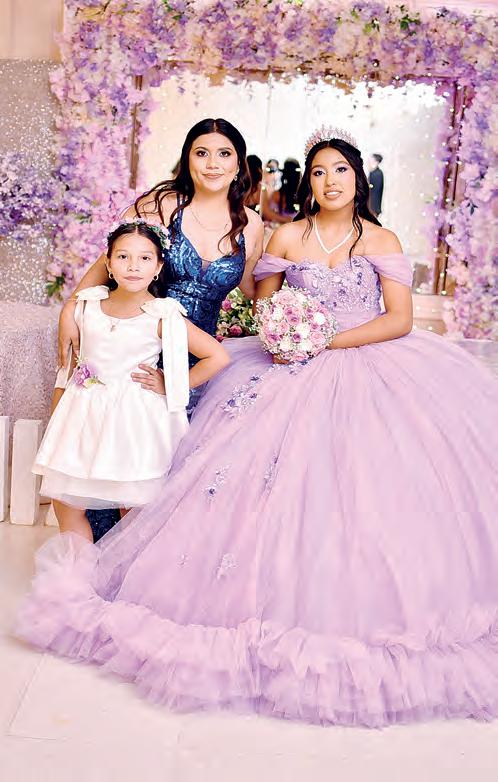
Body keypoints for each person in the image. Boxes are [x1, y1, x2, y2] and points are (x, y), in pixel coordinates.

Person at [17, 128, 498, 728]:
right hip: (271, 359)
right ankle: (115, 559)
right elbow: (265, 308)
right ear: (307, 182)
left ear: (359, 178)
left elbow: (398, 319)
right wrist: (287, 335)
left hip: (366, 361)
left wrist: (325, 340)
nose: (329, 181)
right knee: (200, 465)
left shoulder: (381, 238)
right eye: (318, 171)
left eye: (340, 170)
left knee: (361, 479)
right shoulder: (283, 235)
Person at [56, 117, 264, 539]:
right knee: (126, 456)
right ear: (187, 159)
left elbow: (252, 290)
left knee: (177, 464)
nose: (212, 164)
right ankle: (102, 555)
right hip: (145, 345)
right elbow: (113, 260)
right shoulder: (164, 204)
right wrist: (70, 308)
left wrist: (296, 316)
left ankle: (155, 560)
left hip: (200, 354)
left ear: (238, 163)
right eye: (201, 153)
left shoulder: (251, 224)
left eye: (224, 154)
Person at [35, 221, 229, 541]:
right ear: (109, 264)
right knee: (68, 505)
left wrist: (171, 384)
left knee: (134, 508)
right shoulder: (86, 307)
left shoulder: (161, 316)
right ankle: (75, 570)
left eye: (145, 258)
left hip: (134, 424)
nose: (133, 266)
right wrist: (57, 418)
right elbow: (67, 368)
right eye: (123, 257)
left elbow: (217, 356)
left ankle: (125, 569)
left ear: (158, 267)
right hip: (83, 420)